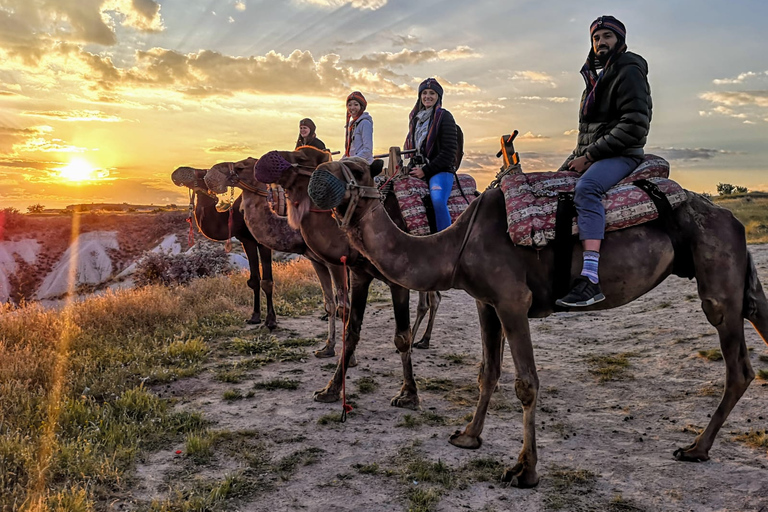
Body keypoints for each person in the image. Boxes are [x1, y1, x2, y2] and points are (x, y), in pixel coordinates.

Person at [555, 15, 652, 308]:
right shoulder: (595, 81)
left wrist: (591, 156)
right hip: (597, 153)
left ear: (619, 40)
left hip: (622, 154)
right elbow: (587, 135)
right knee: (553, 184)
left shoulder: (629, 71)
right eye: (596, 38)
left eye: (607, 37)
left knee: (587, 189)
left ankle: (591, 278)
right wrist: (571, 161)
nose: (600, 43)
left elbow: (635, 124)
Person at [404, 77, 458, 232]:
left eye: (432, 93)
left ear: (438, 97)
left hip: (439, 170)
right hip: (418, 168)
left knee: (438, 200)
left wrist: (425, 171)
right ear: (420, 96)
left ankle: (446, 239)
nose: (428, 96)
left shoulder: (444, 117)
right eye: (425, 93)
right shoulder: (415, 120)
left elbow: (448, 152)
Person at [343, 91, 373, 163]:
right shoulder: (352, 126)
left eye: (356, 105)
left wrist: (351, 160)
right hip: (352, 162)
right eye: (349, 105)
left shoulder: (365, 123)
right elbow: (350, 151)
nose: (352, 108)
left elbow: (367, 150)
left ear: (361, 107)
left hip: (362, 163)